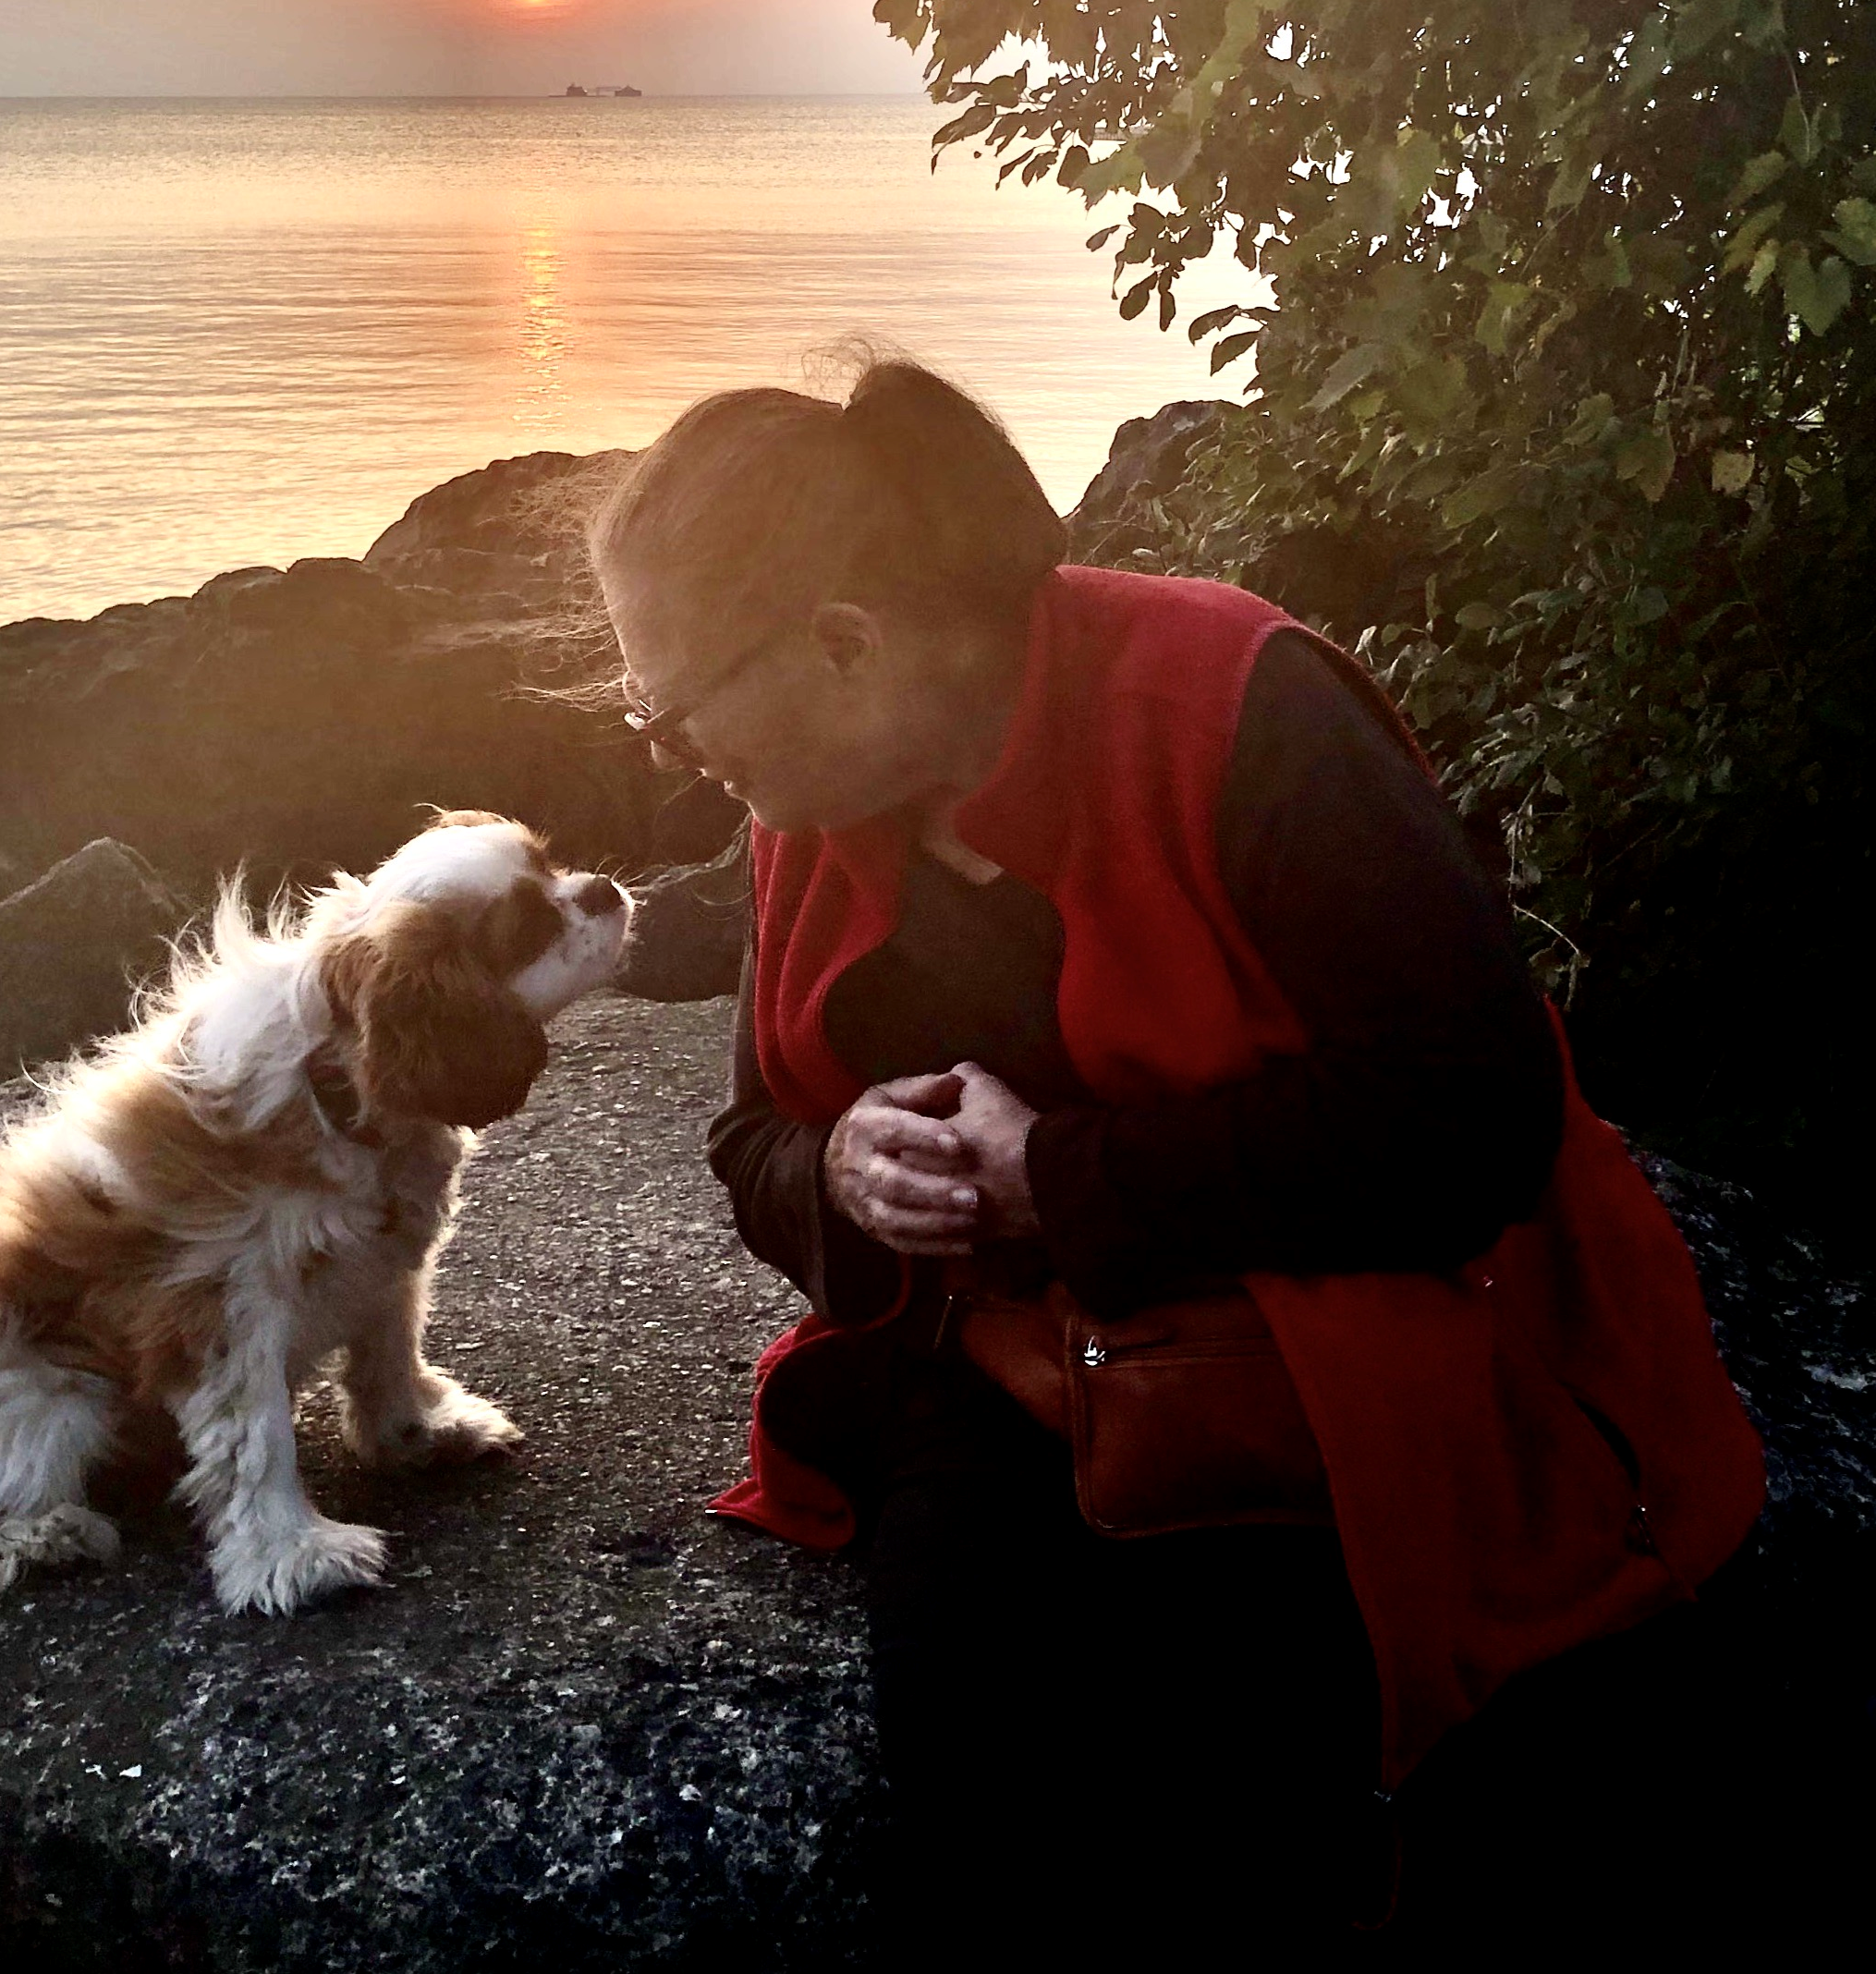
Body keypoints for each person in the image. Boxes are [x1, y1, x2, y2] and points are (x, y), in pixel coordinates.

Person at [585, 357, 1767, 1943]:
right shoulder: (807, 804)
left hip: (1337, 1335)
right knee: (984, 1790)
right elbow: (753, 1137)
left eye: (668, 709)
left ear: (843, 642)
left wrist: (1060, 1178)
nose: (668, 753)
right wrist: (844, 1170)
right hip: (1006, 1364)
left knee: (1243, 1787)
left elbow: (1468, 1118)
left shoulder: (1228, 706)